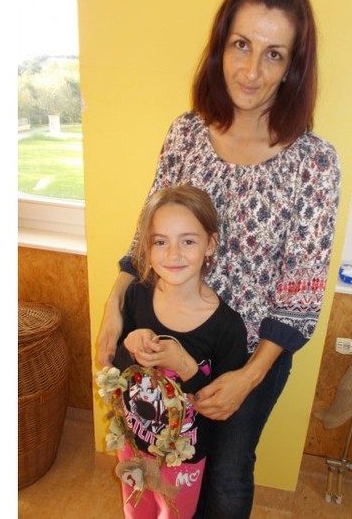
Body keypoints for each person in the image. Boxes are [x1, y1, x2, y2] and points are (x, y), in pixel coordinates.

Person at [97, 0, 341, 517]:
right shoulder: (186, 134)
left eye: (274, 54)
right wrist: (115, 307)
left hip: (246, 356)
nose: (251, 71)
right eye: (241, 45)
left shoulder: (314, 164)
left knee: (225, 478)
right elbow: (148, 233)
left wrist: (247, 378)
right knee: (157, 457)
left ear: (292, 66)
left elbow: (300, 298)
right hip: (168, 332)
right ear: (220, 47)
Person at [107, 185, 249, 519]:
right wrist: (129, 346)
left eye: (188, 241)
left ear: (210, 244)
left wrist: (186, 366)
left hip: (183, 460)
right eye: (160, 242)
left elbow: (221, 408)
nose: (173, 255)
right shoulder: (137, 296)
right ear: (147, 246)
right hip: (133, 442)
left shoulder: (227, 327)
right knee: (135, 509)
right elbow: (120, 373)